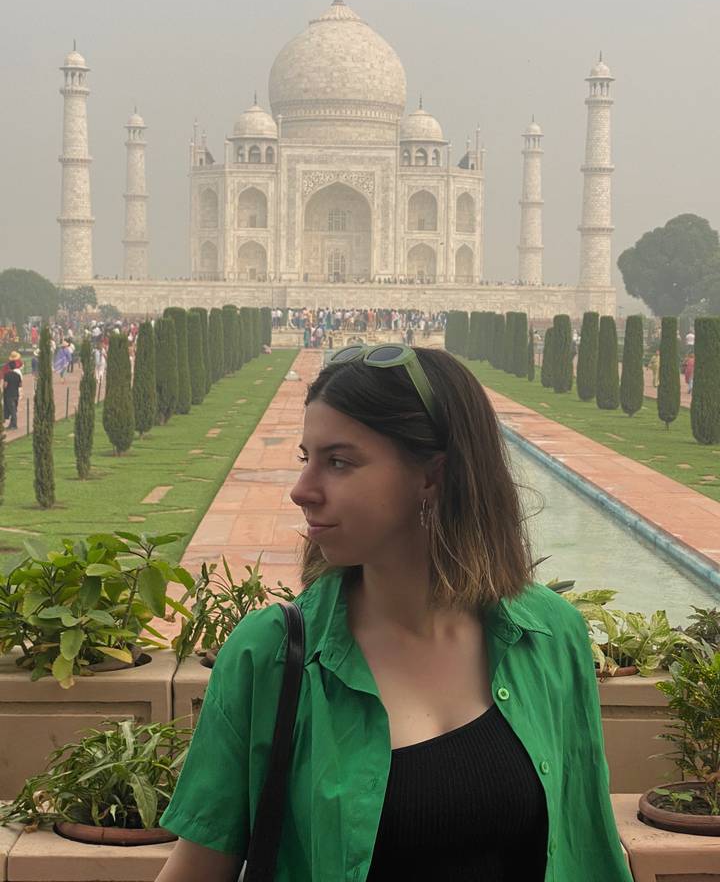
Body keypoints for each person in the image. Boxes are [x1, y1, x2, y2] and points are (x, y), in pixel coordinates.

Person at [156, 345, 632, 882]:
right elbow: (199, 867)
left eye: (338, 462)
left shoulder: (547, 635)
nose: (301, 490)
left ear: (432, 475)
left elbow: (588, 843)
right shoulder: (272, 654)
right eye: (304, 457)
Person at [3, 357, 22, 430]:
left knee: (12, 411)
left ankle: (14, 425)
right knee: (14, 410)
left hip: (9, 395)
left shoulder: (7, 375)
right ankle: (11, 425)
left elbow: (5, 385)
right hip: (16, 394)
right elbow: (20, 385)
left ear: (9, 367)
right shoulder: (18, 375)